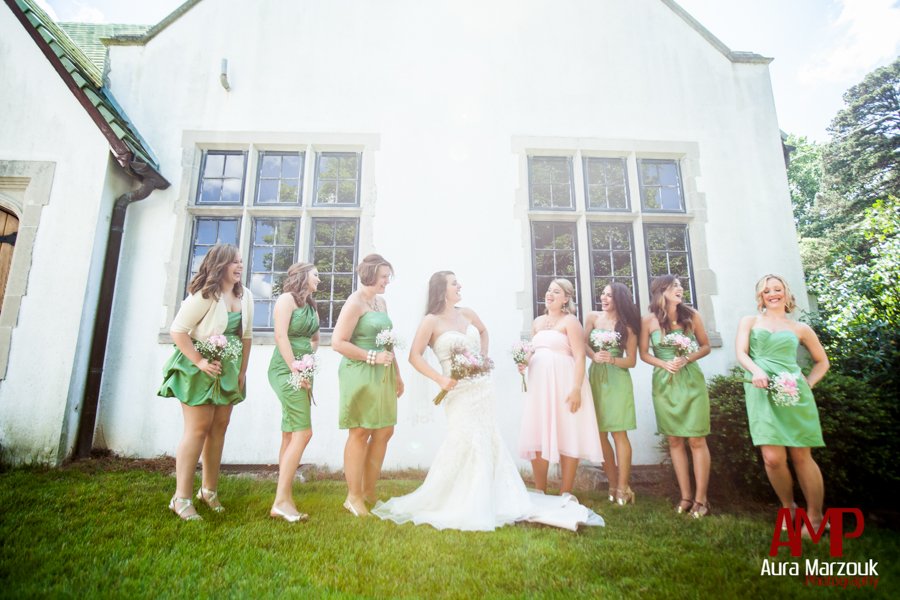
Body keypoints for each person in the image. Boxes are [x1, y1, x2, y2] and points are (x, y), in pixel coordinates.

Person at [372, 271, 604, 531]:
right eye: (454, 283)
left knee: (488, 437)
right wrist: (439, 379)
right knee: (464, 439)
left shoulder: (468, 313)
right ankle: (463, 498)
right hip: (457, 390)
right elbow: (415, 356)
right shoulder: (431, 321)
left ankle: (493, 495)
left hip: (482, 388)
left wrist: (481, 357)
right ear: (441, 290)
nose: (459, 285)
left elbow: (483, 331)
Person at [158, 244, 253, 521]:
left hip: (229, 369)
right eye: (234, 262)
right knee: (197, 430)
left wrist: (242, 371)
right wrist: (199, 361)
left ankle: (208, 491)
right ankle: (181, 498)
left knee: (219, 428)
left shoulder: (245, 295)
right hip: (199, 368)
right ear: (219, 265)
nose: (240, 266)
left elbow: (246, 336)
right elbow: (178, 331)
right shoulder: (205, 295)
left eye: (241, 261)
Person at [735, 274, 829, 532]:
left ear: (786, 294)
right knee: (772, 457)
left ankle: (815, 517)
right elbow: (742, 352)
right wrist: (756, 371)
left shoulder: (800, 329)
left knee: (801, 455)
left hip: (793, 393)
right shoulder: (750, 321)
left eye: (777, 289)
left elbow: (823, 362)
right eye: (767, 291)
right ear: (761, 297)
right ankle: (789, 509)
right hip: (761, 391)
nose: (773, 294)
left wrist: (806, 384)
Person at [332, 254, 404, 517]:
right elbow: (338, 342)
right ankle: (353, 497)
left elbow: (388, 341)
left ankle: (369, 490)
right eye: (384, 276)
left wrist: (397, 373)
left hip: (384, 372)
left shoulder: (380, 302)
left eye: (388, 276)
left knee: (385, 430)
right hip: (359, 371)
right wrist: (372, 357)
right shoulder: (354, 303)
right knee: (361, 431)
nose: (387, 281)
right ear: (371, 276)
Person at [518, 279, 604, 496]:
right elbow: (533, 350)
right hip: (540, 386)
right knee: (538, 430)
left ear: (566, 298)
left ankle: (566, 491)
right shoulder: (537, 321)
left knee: (567, 431)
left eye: (556, 292)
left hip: (565, 384)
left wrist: (576, 389)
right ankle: (540, 489)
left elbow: (580, 356)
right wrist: (524, 361)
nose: (550, 294)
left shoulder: (570, 321)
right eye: (548, 291)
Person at [638, 275, 712, 518]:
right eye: (675, 286)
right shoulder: (648, 321)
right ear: (661, 291)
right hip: (664, 383)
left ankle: (702, 499)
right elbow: (644, 354)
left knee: (696, 440)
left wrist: (686, 358)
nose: (680, 289)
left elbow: (705, 346)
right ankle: (686, 497)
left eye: (681, 285)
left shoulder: (692, 316)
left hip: (691, 381)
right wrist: (664, 363)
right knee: (674, 440)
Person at [267, 262, 320, 523]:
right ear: (302, 276)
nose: (319, 280)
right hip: (285, 369)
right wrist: (296, 369)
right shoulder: (286, 300)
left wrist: (309, 356)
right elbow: (280, 337)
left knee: (290, 432)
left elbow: (315, 339)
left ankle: (285, 497)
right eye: (316, 275)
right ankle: (280, 501)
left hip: (303, 369)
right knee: (304, 431)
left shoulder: (310, 305)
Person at [584, 282, 641, 506]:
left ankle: (623, 487)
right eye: (603, 294)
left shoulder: (627, 326)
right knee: (600, 434)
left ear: (620, 299)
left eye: (609, 295)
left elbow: (632, 361)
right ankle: (612, 482)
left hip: (618, 379)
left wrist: (612, 359)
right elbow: (582, 343)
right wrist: (593, 355)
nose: (604, 298)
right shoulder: (592, 318)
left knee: (619, 433)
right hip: (596, 377)